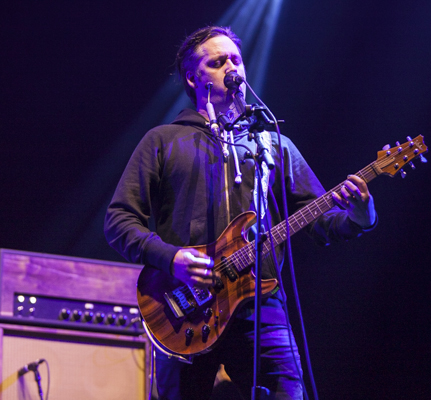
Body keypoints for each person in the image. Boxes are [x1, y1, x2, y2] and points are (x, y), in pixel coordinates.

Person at [104, 25, 377, 400]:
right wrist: (171, 259)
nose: (232, 67)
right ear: (193, 78)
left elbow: (320, 221)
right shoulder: (163, 140)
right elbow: (119, 221)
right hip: (184, 306)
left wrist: (361, 215)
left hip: (261, 306)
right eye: (218, 62)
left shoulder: (272, 143)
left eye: (236, 59)